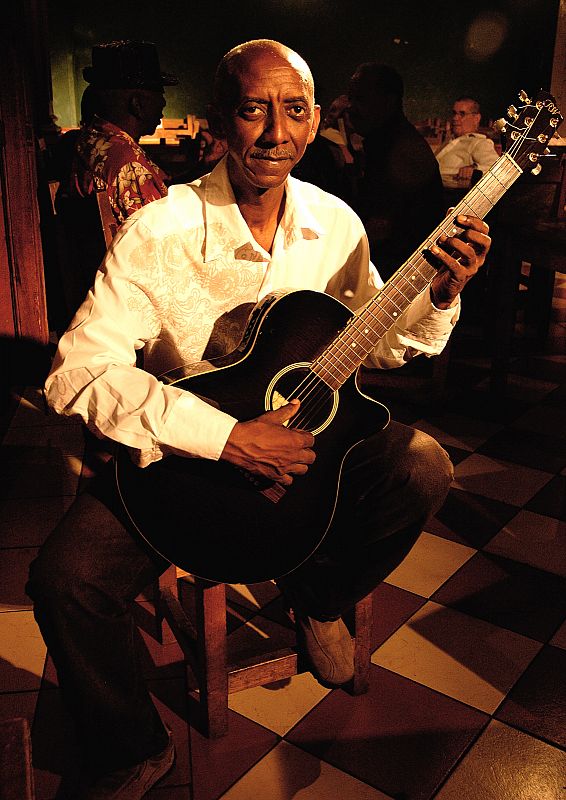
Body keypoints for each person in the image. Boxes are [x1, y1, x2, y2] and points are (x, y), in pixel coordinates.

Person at [27, 39, 491, 799]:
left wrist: (437, 293)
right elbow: (76, 371)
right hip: (185, 462)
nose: (275, 134)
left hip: (310, 452)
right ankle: (132, 745)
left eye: (295, 111)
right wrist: (227, 438)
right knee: (64, 581)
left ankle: (320, 597)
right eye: (253, 109)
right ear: (219, 121)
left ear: (314, 124)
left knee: (423, 466)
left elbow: (377, 338)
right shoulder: (161, 230)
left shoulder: (336, 225)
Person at [347, 62, 446, 281]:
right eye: (351, 99)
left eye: (360, 99)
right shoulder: (382, 142)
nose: (350, 107)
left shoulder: (401, 150)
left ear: (388, 101)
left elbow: (380, 230)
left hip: (399, 278)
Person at [68, 39, 178, 226]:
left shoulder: (93, 139)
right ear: (137, 104)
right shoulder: (128, 163)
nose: (163, 103)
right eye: (159, 93)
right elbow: (162, 234)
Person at [435, 96, 499, 190]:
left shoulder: (479, 143)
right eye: (454, 113)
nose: (455, 118)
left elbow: (496, 169)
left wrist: (474, 171)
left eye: (462, 114)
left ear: (476, 118)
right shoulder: (449, 141)